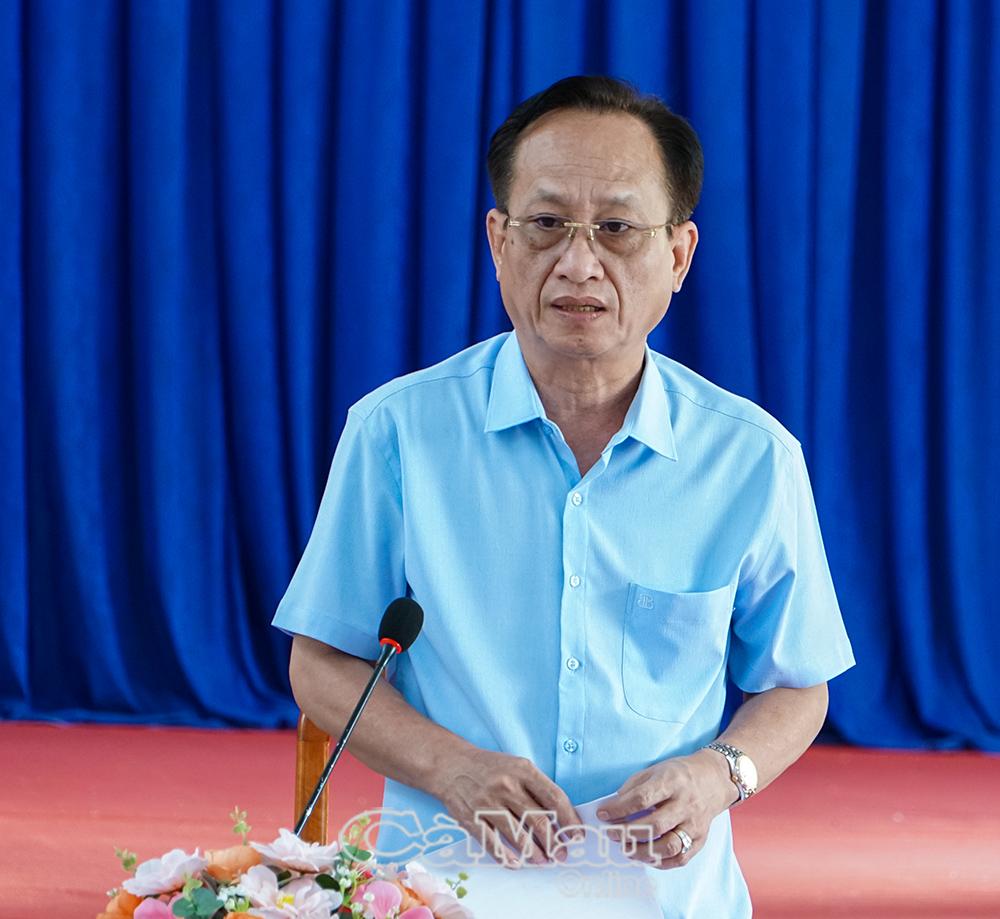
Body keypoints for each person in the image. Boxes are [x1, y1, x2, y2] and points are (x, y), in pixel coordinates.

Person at [274, 75, 854, 917]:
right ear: (498, 240)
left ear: (679, 254)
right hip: (440, 891)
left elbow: (798, 683)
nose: (579, 264)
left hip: (664, 898)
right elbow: (322, 659)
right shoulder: (397, 432)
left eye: (617, 229)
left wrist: (719, 774)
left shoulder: (752, 458)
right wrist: (450, 766)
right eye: (546, 225)